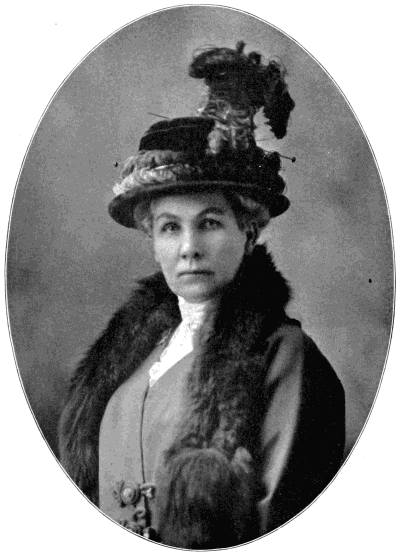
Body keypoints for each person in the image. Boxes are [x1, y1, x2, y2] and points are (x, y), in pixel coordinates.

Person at [58, 42, 345, 549]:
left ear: (249, 231)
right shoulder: (130, 358)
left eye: (209, 222)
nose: (188, 247)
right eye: (170, 227)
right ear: (152, 240)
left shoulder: (284, 358)